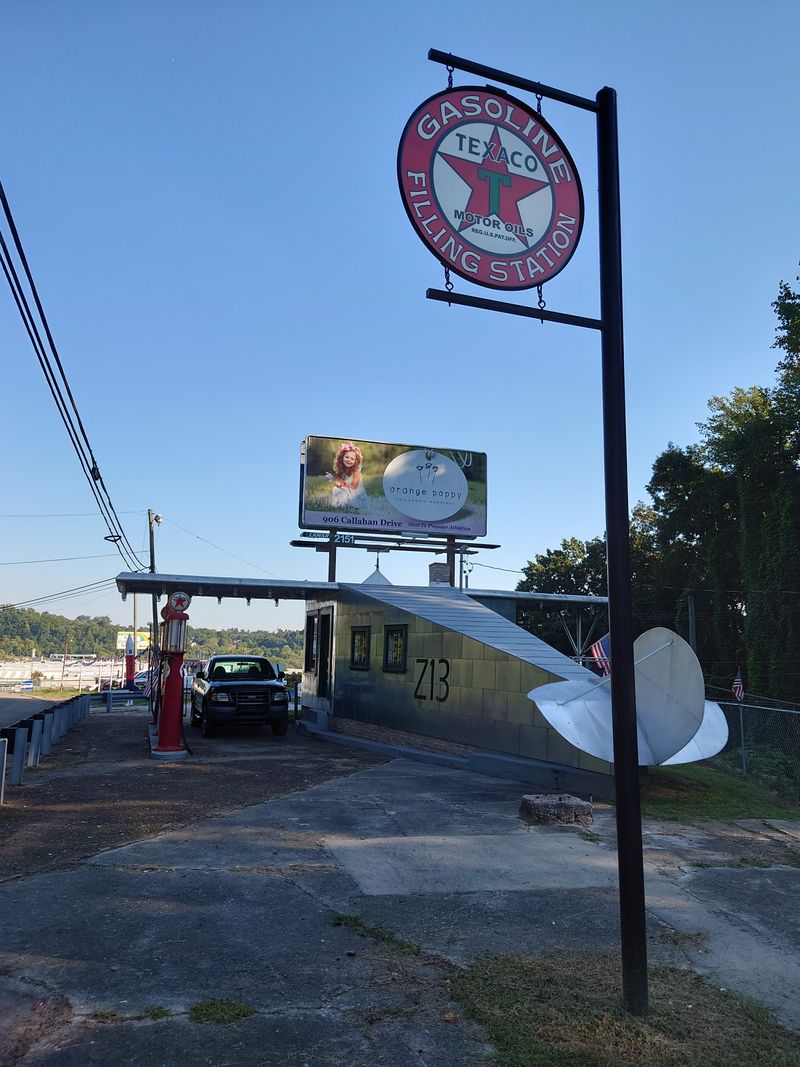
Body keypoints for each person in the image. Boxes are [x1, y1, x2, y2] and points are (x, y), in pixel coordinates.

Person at [329, 441, 366, 507]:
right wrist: (338, 484)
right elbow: (337, 481)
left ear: (355, 461)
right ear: (342, 457)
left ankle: (346, 503)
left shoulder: (356, 472)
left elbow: (354, 487)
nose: (349, 460)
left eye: (352, 459)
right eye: (347, 457)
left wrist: (344, 484)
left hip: (355, 492)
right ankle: (340, 503)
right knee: (335, 490)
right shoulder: (340, 470)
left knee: (349, 498)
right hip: (345, 489)